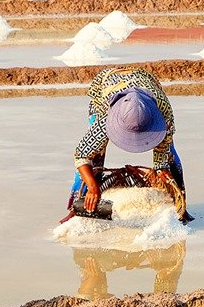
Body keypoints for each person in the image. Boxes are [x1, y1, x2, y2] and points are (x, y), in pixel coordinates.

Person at [64, 67, 194, 223]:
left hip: (145, 83)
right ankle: (76, 207)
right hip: (105, 87)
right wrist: (92, 185)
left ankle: (181, 207)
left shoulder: (163, 110)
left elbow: (163, 146)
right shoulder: (106, 116)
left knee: (169, 155)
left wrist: (162, 167)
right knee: (95, 154)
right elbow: (81, 154)